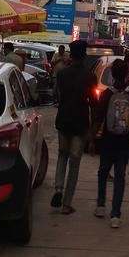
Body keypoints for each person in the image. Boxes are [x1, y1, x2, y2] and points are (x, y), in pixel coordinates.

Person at [89, 58, 129, 228]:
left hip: (107, 140)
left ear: (112, 74)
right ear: (127, 73)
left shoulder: (107, 94)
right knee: (120, 177)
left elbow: (98, 119)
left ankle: (100, 205)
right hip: (125, 141)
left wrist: (92, 139)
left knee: (103, 172)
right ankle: (115, 215)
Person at [51, 39, 95, 215]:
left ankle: (58, 189)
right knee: (74, 162)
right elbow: (93, 103)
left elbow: (58, 96)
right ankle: (67, 204)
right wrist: (93, 130)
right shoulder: (89, 77)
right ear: (84, 56)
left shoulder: (62, 74)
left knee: (62, 155)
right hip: (80, 122)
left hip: (63, 120)